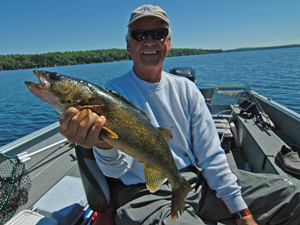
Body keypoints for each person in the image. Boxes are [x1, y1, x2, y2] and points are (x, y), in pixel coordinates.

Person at [59, 5, 300, 225]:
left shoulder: (187, 89)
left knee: (293, 194)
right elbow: (117, 172)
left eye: (158, 34)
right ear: (128, 45)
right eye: (139, 35)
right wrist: (103, 146)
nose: (149, 41)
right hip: (144, 192)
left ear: (169, 42)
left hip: (196, 181)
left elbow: (211, 157)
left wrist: (242, 213)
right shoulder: (112, 94)